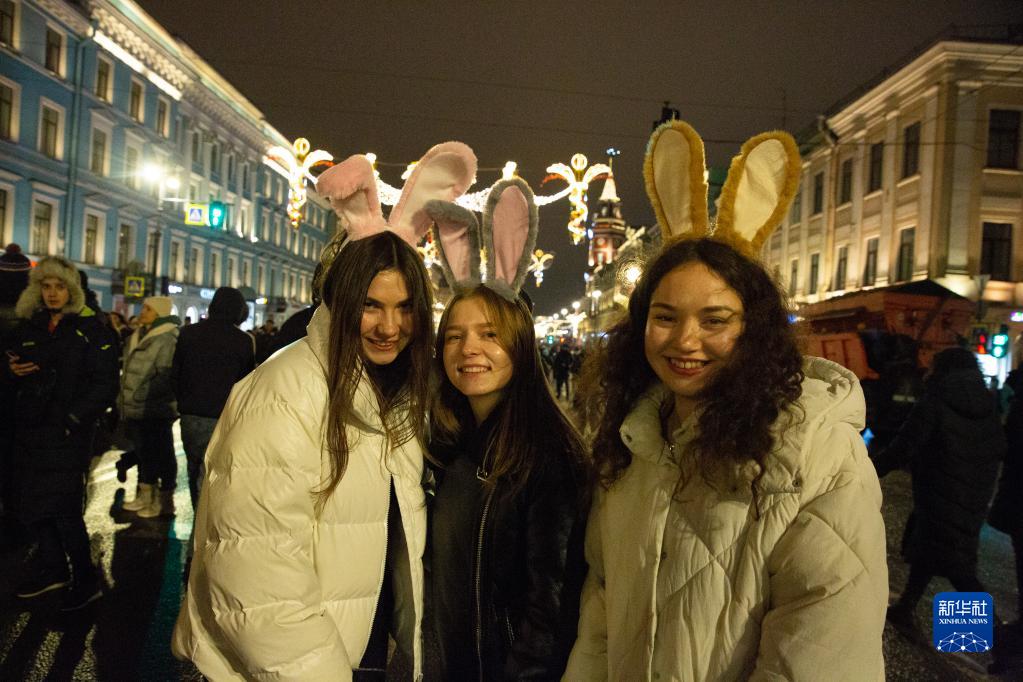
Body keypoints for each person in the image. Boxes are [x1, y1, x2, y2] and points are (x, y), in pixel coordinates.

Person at [565, 121, 887, 680]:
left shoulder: (816, 452)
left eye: (715, 320)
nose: (685, 341)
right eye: (665, 317)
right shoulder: (632, 443)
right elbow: (603, 609)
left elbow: (821, 648)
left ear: (753, 329)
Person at [172, 141, 477, 680]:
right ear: (341, 299)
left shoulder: (394, 394)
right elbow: (258, 580)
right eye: (371, 305)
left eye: (405, 308)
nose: (390, 327)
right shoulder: (285, 392)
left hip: (354, 648)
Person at [425, 178, 588, 679]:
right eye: (454, 336)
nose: (468, 349)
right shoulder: (446, 445)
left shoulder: (548, 457)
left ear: (519, 345)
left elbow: (552, 611)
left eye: (489, 334)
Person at [4, 256, 118, 610]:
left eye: (59, 286)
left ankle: (85, 579)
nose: (52, 293)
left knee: (65, 510)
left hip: (67, 435)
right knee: (34, 507)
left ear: (72, 290)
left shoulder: (90, 329)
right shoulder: (30, 325)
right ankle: (54, 570)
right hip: (30, 432)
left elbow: (104, 384)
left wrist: (72, 419)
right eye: (46, 286)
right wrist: (10, 370)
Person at [875, 346, 1004, 628]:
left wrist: (870, 470)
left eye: (932, 365)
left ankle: (1000, 637)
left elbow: (905, 446)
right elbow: (997, 447)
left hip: (939, 493)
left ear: (943, 369)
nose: (928, 370)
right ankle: (906, 608)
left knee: (958, 568)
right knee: (933, 551)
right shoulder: (986, 402)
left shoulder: (935, 399)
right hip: (972, 495)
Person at [172, 286, 255, 512]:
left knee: (194, 468)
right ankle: (211, 519)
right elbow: (245, 383)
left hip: (191, 415)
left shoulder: (188, 334)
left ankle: (198, 515)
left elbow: (175, 374)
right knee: (217, 473)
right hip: (224, 417)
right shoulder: (243, 341)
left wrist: (183, 402)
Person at [119, 296, 181, 518]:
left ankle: (163, 501)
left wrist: (141, 393)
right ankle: (145, 496)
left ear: (159, 314)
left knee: (161, 454)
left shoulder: (167, 337)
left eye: (148, 309)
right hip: (136, 405)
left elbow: (165, 375)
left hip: (155, 407)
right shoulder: (138, 335)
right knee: (143, 452)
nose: (142, 312)